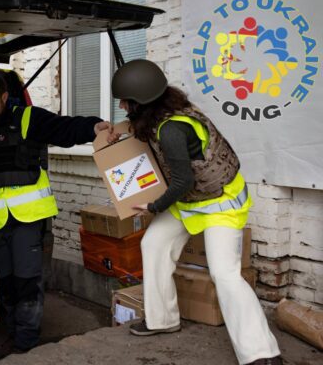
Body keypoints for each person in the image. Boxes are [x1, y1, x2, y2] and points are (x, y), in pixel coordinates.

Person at [110, 59, 282, 365]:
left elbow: (182, 181)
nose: (123, 106)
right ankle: (162, 320)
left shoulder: (173, 130)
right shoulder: (166, 112)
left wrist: (152, 206)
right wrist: (117, 133)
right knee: (154, 244)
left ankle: (262, 353)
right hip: (191, 201)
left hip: (219, 204)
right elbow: (146, 137)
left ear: (142, 102)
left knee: (224, 274)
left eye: (126, 101)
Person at [0, 72, 114, 360]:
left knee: (27, 280)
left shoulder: (28, 119)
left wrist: (93, 126)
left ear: (4, 97)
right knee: (5, 281)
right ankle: (13, 333)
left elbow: (63, 129)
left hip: (29, 218)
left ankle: (25, 341)